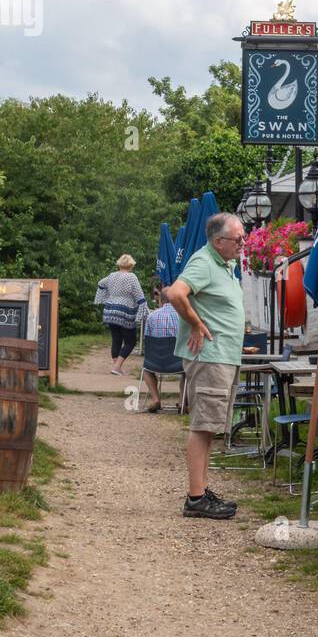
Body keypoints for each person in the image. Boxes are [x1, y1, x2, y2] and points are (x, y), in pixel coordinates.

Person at [163, 213, 246, 520]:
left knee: (210, 427)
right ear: (217, 241)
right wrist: (196, 324)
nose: (242, 243)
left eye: (243, 236)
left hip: (223, 356)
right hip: (210, 357)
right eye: (237, 239)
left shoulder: (225, 264)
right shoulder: (204, 262)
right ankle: (196, 498)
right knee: (202, 426)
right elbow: (174, 293)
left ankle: (201, 490)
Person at [94, 255, 147, 376]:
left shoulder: (112, 275)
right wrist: (144, 310)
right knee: (131, 341)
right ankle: (117, 366)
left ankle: (116, 367)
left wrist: (107, 297)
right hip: (125, 311)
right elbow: (139, 296)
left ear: (119, 264)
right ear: (131, 265)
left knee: (116, 339)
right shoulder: (131, 277)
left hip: (110, 310)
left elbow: (101, 283)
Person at [140, 287, 180, 413]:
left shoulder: (151, 316)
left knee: (146, 370)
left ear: (160, 300)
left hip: (154, 362)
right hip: (178, 363)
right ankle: (183, 402)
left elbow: (147, 340)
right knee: (189, 370)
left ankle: (155, 399)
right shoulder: (182, 316)